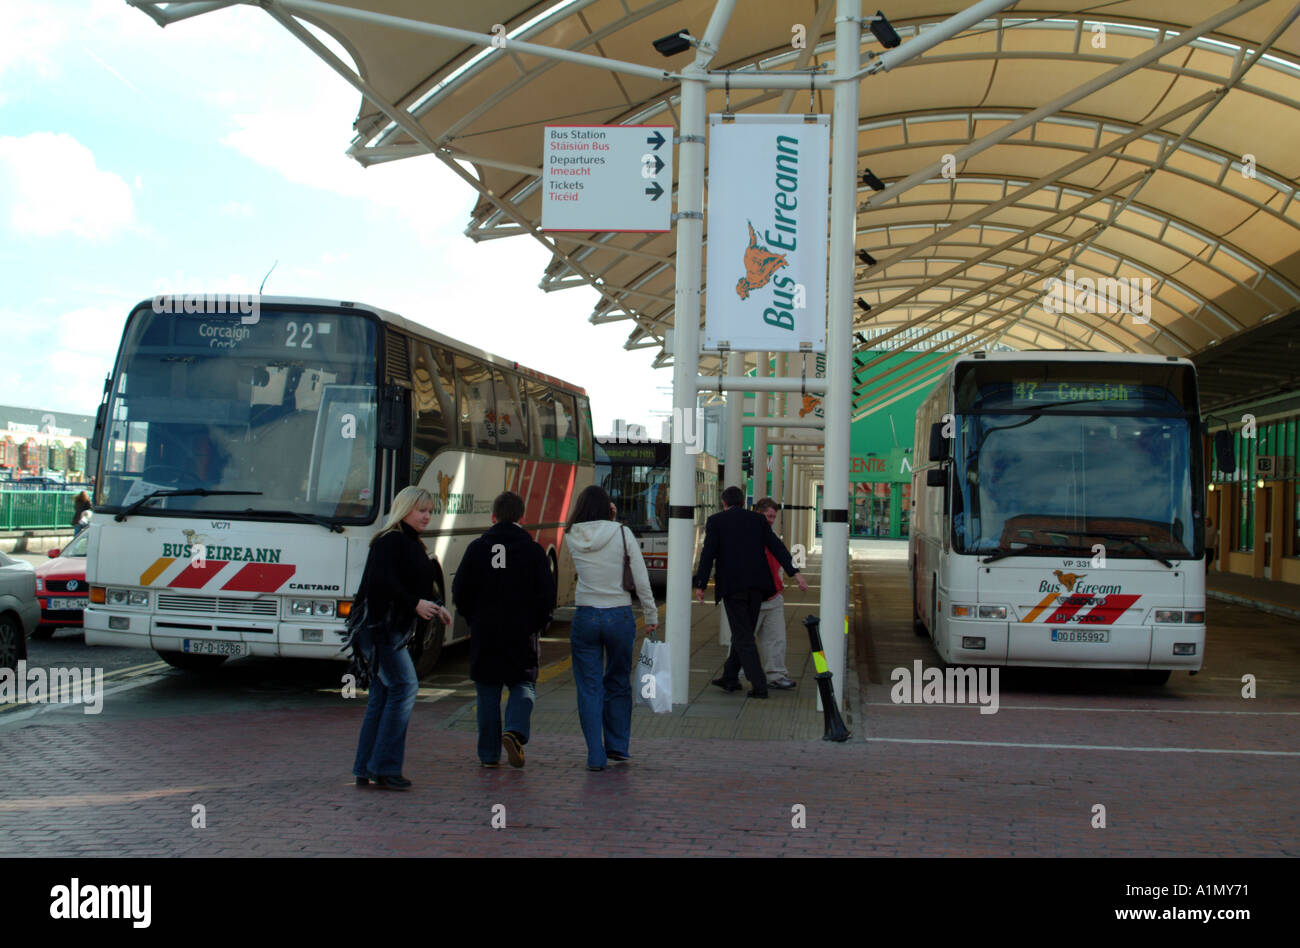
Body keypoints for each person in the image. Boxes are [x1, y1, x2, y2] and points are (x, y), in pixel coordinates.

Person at [352, 485, 451, 790]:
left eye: (430, 512)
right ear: (405, 509)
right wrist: (415, 604)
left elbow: (416, 585)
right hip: (381, 629)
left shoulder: (409, 543)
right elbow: (382, 583)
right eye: (422, 511)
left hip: (387, 629)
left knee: (383, 695)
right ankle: (384, 767)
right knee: (405, 686)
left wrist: (435, 606)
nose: (427, 517)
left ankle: (367, 767)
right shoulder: (391, 540)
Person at [452, 491, 554, 769]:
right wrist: (538, 623)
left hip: (485, 632)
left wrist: (473, 618)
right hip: (522, 633)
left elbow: (460, 590)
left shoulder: (477, 548)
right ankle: (515, 730)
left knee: (487, 691)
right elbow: (547, 594)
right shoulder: (533, 550)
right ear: (523, 517)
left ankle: (488, 755)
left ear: (493, 517)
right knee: (523, 684)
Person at [564, 484, 657, 771]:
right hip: (619, 615)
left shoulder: (571, 535)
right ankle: (617, 746)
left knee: (589, 687)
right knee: (617, 682)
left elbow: (593, 533)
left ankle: (595, 755)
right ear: (609, 508)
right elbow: (640, 578)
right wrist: (651, 615)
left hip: (586, 616)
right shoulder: (621, 532)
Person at [694, 485, 808, 698]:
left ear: (724, 503)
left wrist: (701, 584)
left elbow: (708, 554)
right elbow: (777, 547)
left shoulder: (717, 521)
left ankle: (759, 685)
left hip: (733, 587)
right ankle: (730, 677)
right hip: (758, 587)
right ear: (742, 503)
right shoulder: (758, 521)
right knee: (744, 631)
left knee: (744, 635)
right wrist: (796, 573)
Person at [750, 497, 796, 690]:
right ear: (758, 514)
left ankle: (776, 674)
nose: (771, 520)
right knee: (743, 639)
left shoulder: (772, 537)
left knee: (777, 639)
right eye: (768, 516)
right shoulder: (748, 537)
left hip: (774, 597)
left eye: (774, 517)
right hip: (752, 598)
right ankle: (736, 671)